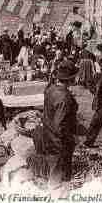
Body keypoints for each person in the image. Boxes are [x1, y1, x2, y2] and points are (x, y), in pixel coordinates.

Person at [31, 60, 79, 189]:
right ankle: (57, 190)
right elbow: (60, 125)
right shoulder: (65, 98)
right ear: (70, 79)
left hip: (47, 133)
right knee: (58, 171)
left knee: (54, 165)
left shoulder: (50, 89)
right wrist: (71, 138)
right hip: (58, 140)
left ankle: (56, 183)